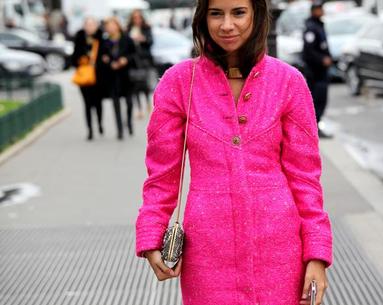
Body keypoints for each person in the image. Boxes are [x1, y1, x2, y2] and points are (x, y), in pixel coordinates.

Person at [135, 0, 333, 304]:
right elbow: (162, 176)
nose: (227, 25)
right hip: (208, 253)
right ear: (203, 18)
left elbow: (306, 179)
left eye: (238, 12)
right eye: (216, 13)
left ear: (256, 15)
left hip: (280, 253)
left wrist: (317, 255)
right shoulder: (179, 83)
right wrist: (151, 233)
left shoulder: (288, 82)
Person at [99, 17, 136, 140]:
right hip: (112, 77)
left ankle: (129, 123)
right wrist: (108, 62)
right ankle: (119, 129)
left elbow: (135, 54)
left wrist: (125, 60)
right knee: (116, 104)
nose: (110, 28)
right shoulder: (105, 41)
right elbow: (102, 57)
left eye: (112, 25)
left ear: (117, 25)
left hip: (126, 76)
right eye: (108, 26)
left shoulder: (126, 39)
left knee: (129, 103)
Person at [302, 1, 333, 139]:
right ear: (314, 10)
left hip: (322, 72)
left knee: (321, 99)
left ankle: (316, 127)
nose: (322, 11)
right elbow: (308, 51)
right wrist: (322, 60)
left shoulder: (319, 25)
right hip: (315, 72)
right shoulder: (311, 28)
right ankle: (313, 130)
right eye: (319, 9)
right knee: (317, 100)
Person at [71, 17, 104, 141]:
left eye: (92, 25)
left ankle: (100, 123)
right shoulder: (79, 39)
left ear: (96, 26)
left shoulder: (101, 38)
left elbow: (104, 56)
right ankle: (90, 129)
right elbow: (74, 58)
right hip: (84, 77)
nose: (90, 27)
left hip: (98, 76)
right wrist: (82, 57)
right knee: (87, 104)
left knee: (98, 102)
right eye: (87, 25)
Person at [127, 9, 154, 119]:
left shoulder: (146, 28)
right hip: (133, 61)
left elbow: (151, 42)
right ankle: (139, 108)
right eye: (135, 18)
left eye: (139, 17)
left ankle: (148, 103)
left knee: (145, 84)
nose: (137, 20)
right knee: (135, 85)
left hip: (144, 60)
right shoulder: (128, 30)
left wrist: (143, 39)